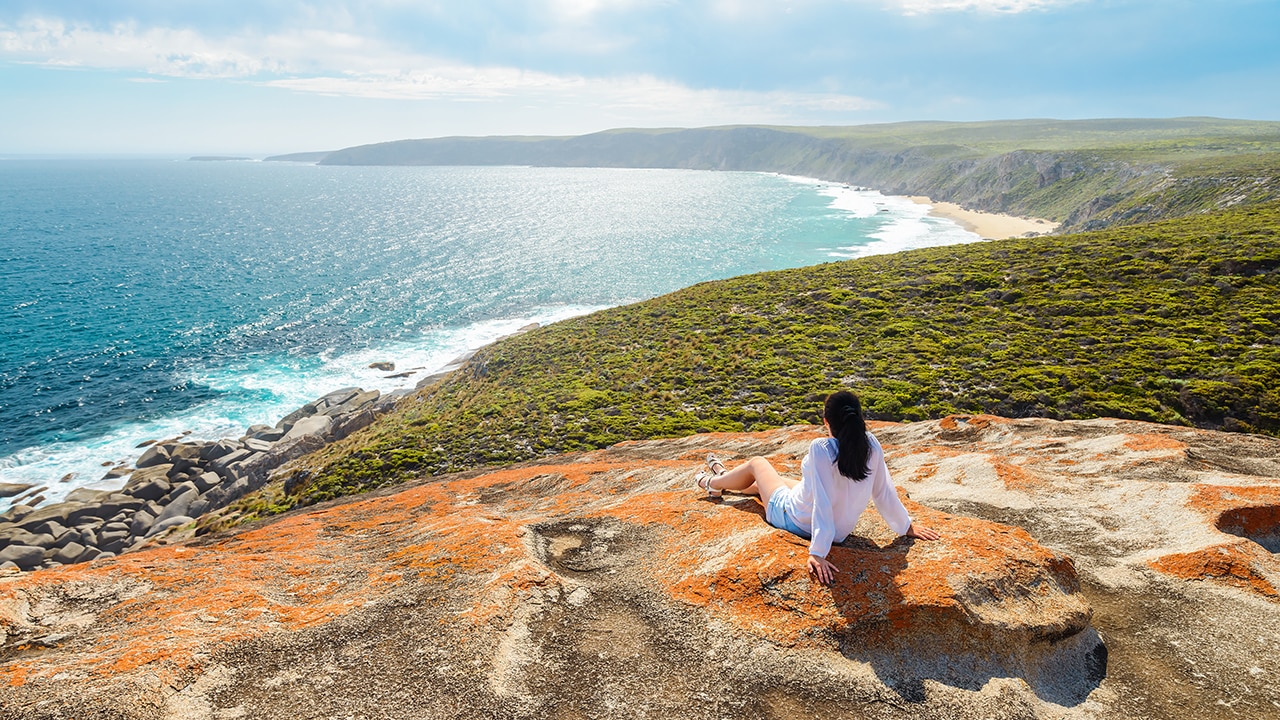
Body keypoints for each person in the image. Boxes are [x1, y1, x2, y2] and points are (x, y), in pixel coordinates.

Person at [694, 390, 940, 585]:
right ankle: (727, 479)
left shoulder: (821, 449)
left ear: (826, 422)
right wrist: (905, 526)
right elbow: (883, 492)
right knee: (770, 484)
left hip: (795, 519)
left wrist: (818, 552)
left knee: (758, 464)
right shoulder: (871, 446)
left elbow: (822, 501)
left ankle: (714, 484)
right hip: (839, 532)